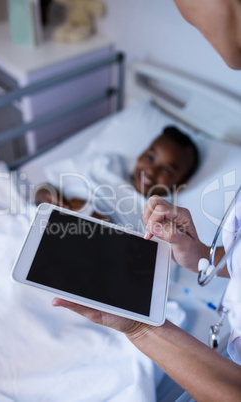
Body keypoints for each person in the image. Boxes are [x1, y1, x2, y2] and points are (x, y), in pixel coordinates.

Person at [51, 0, 241, 400]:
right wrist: (206, 254)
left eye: (168, 171)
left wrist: (139, 326)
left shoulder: (151, 214)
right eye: (151, 157)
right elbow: (49, 191)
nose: (181, 8)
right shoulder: (105, 169)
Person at [35, 125, 198, 218]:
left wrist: (91, 215)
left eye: (167, 170)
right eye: (150, 157)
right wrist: (45, 195)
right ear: (141, 152)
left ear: (181, 184)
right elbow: (48, 184)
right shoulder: (107, 163)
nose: (151, 170)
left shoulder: (158, 215)